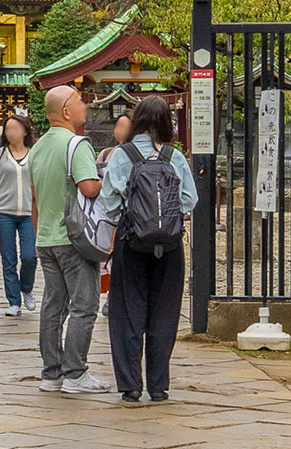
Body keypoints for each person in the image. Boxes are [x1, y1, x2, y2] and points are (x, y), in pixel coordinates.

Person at [99, 96, 198, 404]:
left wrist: (132, 213)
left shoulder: (121, 155)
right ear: (166, 121)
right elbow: (189, 200)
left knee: (127, 312)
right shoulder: (174, 156)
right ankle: (159, 385)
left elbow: (109, 203)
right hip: (168, 245)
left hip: (131, 241)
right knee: (164, 313)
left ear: (137, 119)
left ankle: (130, 385)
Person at [28, 85, 110, 394]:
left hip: (47, 236)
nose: (85, 106)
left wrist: (38, 236)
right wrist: (112, 181)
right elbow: (88, 187)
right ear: (65, 111)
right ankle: (76, 372)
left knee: (53, 306)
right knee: (84, 306)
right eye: (78, 102)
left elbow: (34, 199)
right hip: (74, 237)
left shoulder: (37, 148)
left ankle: (52, 373)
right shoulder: (76, 144)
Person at [0, 115, 38, 317]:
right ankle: (13, 301)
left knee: (30, 256)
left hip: (27, 213)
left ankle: (27, 287)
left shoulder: (34, 155)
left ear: (25, 131)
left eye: (15, 128)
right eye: (8, 129)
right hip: (4, 212)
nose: (11, 133)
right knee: (9, 259)